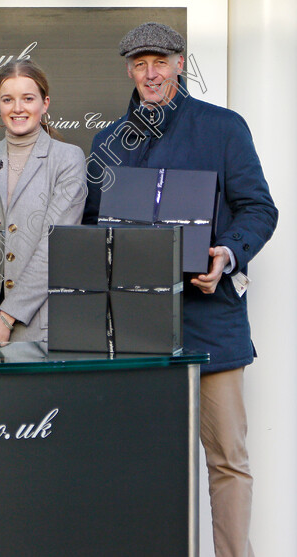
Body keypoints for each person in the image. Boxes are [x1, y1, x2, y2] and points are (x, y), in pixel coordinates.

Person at [82, 23, 277, 557]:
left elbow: (261, 208)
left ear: (179, 64)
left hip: (212, 318)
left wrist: (226, 252)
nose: (151, 73)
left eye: (161, 62)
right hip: (136, 325)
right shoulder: (106, 144)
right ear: (129, 68)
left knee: (227, 459)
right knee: (140, 458)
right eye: (140, 63)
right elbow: (95, 226)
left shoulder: (224, 127)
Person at [0, 60, 86, 345]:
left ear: (45, 103)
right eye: (8, 99)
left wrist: (6, 318)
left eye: (28, 98)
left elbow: (54, 247)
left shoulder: (68, 159)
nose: (18, 108)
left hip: (41, 327)